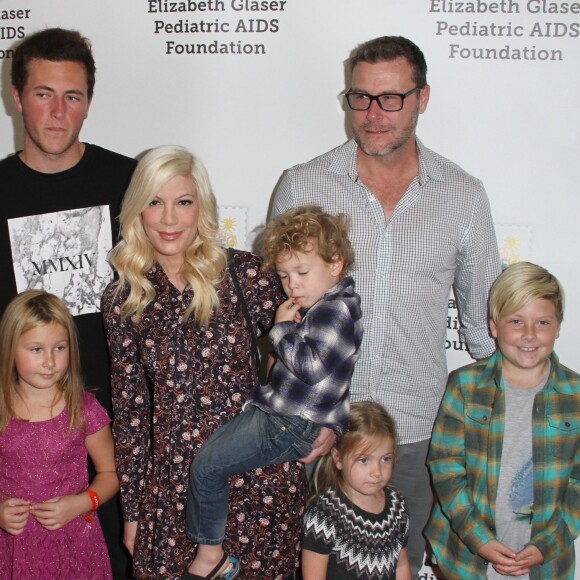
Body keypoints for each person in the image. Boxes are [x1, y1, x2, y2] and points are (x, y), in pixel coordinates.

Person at [271, 35, 502, 575]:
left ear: (423, 97)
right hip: (322, 436)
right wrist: (305, 419)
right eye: (360, 98)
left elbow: (485, 333)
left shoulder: (462, 195)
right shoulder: (303, 185)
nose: (373, 115)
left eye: (391, 99)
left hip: (415, 436)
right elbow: (279, 321)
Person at [101, 146, 333, 579]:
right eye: (155, 202)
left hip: (258, 479)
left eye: (183, 202)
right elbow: (131, 413)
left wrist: (329, 420)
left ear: (201, 208)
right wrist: (132, 511)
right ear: (137, 211)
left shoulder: (244, 273)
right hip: (174, 490)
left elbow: (324, 339)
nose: (169, 219)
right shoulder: (123, 300)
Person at [0, 28, 137, 577]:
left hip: (114, 422)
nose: (57, 112)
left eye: (72, 96)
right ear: (16, 97)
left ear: (88, 104)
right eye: (43, 94)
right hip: (21, 434)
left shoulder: (128, 182)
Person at [184, 206, 363, 578]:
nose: (292, 285)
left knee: (207, 467)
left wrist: (281, 331)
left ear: (335, 264)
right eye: (284, 276)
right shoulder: (321, 307)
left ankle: (210, 558)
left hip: (291, 424)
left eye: (301, 272)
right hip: (279, 414)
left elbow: (311, 369)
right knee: (207, 460)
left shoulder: (337, 311)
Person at [426, 262, 580, 578]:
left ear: (558, 326)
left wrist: (547, 544)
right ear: (494, 326)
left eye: (542, 322)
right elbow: (445, 466)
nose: (529, 335)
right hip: (468, 558)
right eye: (515, 321)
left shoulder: (576, 395)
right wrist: (477, 538)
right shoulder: (465, 386)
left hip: (545, 561)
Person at [0, 290, 119, 578]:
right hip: (14, 545)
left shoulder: (85, 408)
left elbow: (111, 474)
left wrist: (81, 502)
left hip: (76, 543)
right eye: (36, 349)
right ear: (10, 348)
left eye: (60, 348)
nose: (50, 361)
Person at [301, 401, 411, 579]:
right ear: (338, 458)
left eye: (385, 459)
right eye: (364, 460)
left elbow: (402, 565)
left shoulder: (397, 505)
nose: (377, 472)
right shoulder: (324, 514)